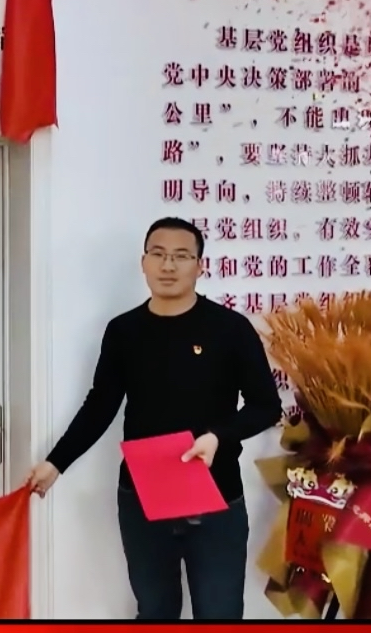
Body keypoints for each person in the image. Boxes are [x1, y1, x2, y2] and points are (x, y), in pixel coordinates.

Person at [26, 217, 281, 620]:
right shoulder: (124, 331)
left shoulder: (230, 329)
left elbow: (266, 405)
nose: (168, 266)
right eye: (158, 254)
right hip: (143, 496)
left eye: (181, 256)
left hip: (215, 495)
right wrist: (56, 462)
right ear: (143, 263)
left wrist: (218, 436)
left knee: (220, 613)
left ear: (200, 266)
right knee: (155, 611)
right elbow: (101, 404)